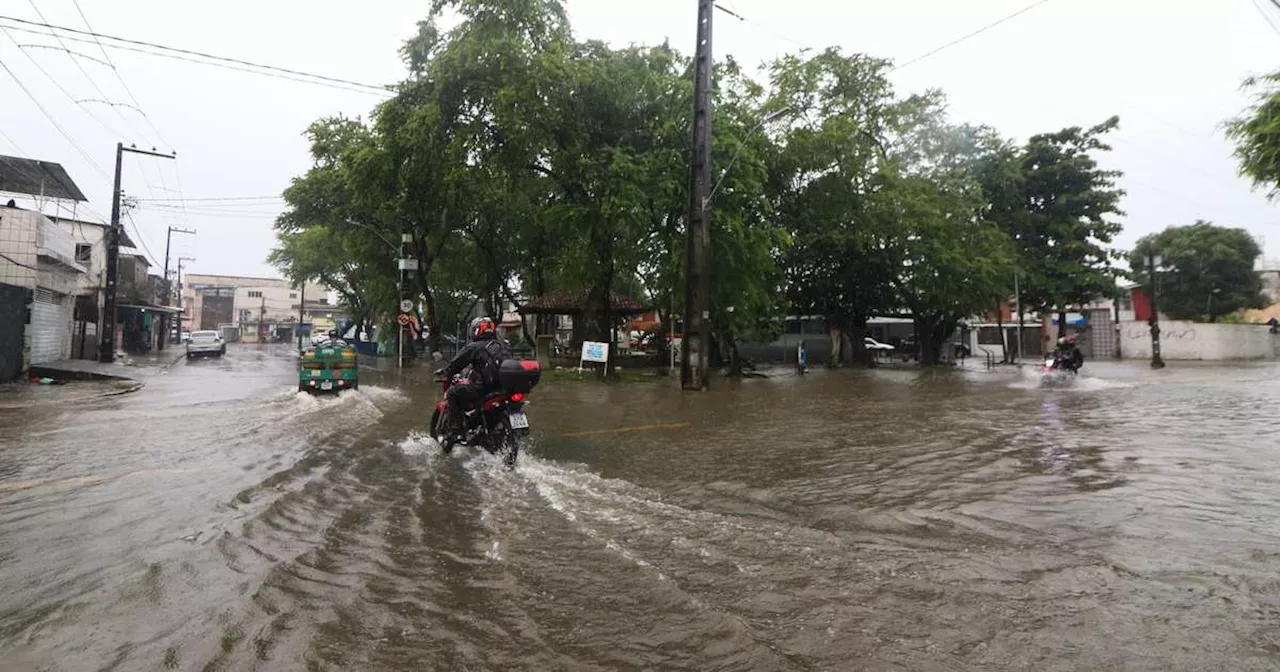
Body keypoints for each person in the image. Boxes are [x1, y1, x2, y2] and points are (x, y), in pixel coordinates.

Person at [438, 317, 511, 433]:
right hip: (504, 389)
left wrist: (447, 372)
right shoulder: (504, 346)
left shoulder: (475, 346)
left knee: (452, 393)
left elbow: (458, 363)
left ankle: (455, 427)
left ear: (476, 331)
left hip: (483, 389)